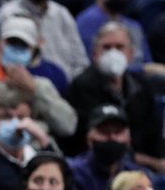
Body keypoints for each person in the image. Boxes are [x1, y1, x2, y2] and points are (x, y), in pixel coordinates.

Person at [66, 22, 162, 169]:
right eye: (107, 47)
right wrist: (151, 162)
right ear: (95, 54)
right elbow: (87, 140)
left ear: (130, 54)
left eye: (119, 47)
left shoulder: (142, 86)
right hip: (100, 162)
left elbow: (153, 133)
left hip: (141, 161)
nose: (113, 53)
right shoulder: (82, 86)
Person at [0, 16, 77, 143]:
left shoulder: (41, 85)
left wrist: (34, 90)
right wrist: (44, 127)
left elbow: (68, 126)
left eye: (24, 45)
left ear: (33, 51)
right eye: (12, 42)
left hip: (40, 151)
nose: (17, 48)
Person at [75, 0, 153, 68]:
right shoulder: (86, 22)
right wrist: (144, 70)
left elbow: (147, 64)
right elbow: (88, 66)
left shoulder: (135, 27)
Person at [68, 105, 143, 190]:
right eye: (104, 132)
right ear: (89, 140)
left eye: (118, 132)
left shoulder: (139, 177)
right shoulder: (73, 174)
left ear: (128, 140)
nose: (112, 137)